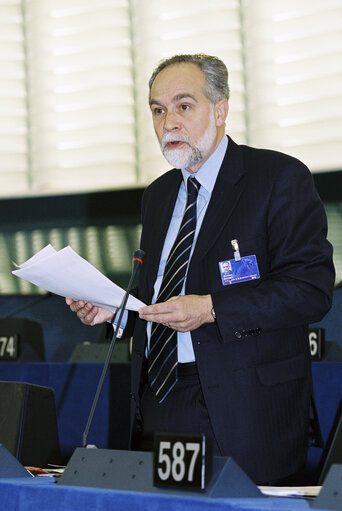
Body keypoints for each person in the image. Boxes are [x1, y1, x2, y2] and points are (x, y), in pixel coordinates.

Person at [66, 54, 335, 484]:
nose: (168, 121)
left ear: (221, 109)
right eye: (158, 109)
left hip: (245, 404)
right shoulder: (157, 196)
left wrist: (211, 308)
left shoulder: (277, 177)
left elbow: (310, 288)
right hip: (159, 394)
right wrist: (116, 311)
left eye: (184, 106)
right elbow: (161, 296)